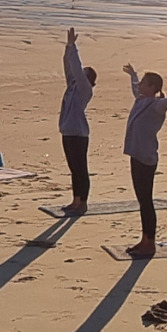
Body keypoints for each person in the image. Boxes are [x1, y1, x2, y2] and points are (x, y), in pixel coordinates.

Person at [123, 63, 167, 257]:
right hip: (136, 156)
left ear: (152, 88)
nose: (140, 85)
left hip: (146, 159)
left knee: (146, 201)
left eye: (144, 82)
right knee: (142, 201)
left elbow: (165, 103)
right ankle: (145, 240)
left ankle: (150, 243)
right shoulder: (142, 100)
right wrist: (133, 75)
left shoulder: (156, 106)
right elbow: (136, 89)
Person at [59, 27, 97, 215]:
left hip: (78, 134)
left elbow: (75, 67)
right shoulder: (72, 85)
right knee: (73, 168)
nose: (79, 73)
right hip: (67, 132)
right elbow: (68, 66)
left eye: (84, 72)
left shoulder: (85, 89)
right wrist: (68, 46)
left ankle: (83, 202)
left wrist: (74, 48)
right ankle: (75, 201)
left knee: (81, 168)